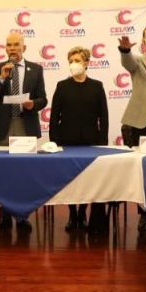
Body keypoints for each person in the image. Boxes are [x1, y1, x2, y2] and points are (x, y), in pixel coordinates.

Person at [0, 32, 48, 231]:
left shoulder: (36, 69)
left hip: (25, 124)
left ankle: (22, 216)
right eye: (9, 45)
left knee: (24, 172)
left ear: (24, 47)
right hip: (4, 126)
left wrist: (33, 104)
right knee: (3, 172)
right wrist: (2, 78)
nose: (12, 48)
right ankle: (5, 217)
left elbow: (43, 99)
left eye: (16, 45)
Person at [49, 46, 109, 232]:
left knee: (87, 180)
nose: (73, 64)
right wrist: (54, 142)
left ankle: (83, 212)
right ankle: (72, 213)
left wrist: (102, 143)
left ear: (87, 63)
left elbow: (104, 116)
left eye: (77, 60)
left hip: (90, 142)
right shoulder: (62, 86)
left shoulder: (97, 86)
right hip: (67, 141)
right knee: (69, 179)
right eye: (71, 61)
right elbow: (54, 117)